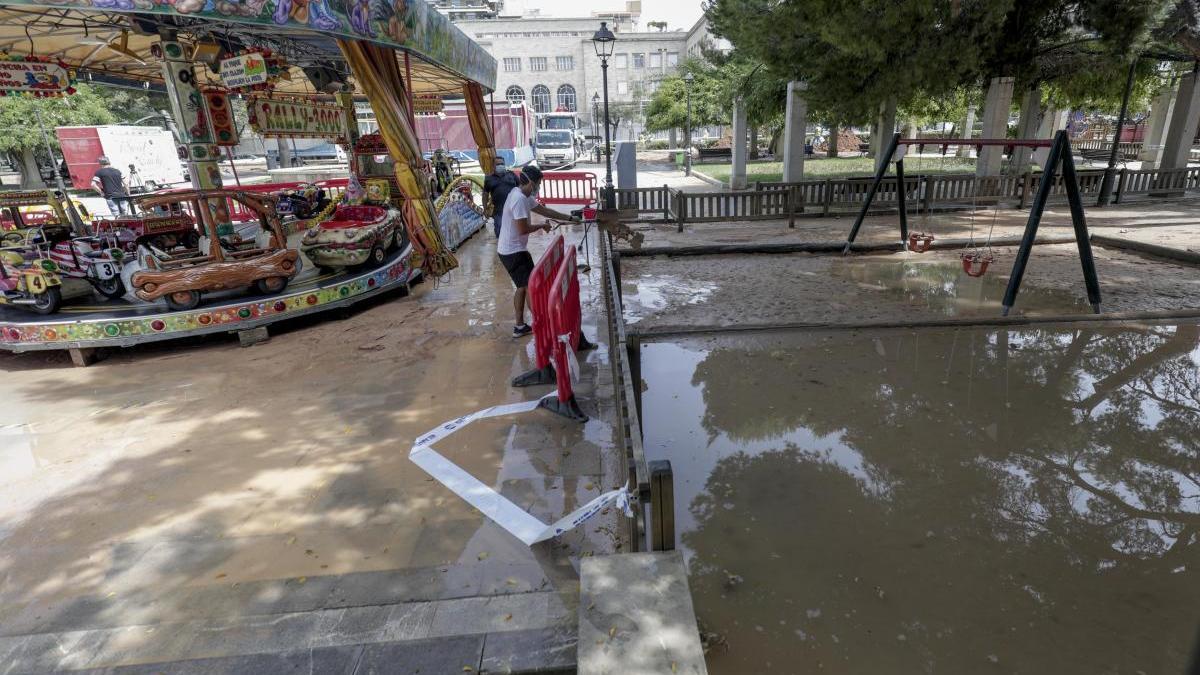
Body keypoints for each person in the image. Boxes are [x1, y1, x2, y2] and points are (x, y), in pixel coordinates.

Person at [496, 165, 575, 338]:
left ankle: (520, 326)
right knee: (530, 288)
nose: (539, 187)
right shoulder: (519, 199)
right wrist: (542, 226)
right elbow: (523, 229)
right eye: (538, 183)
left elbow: (544, 210)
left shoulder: (522, 194)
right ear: (531, 182)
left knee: (522, 287)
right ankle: (542, 325)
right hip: (513, 252)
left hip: (510, 249)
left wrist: (569, 218)